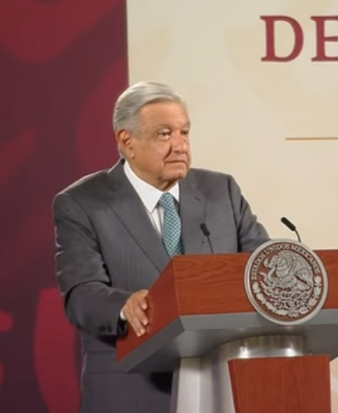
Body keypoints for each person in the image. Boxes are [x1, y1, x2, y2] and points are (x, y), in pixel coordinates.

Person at [52, 81, 270, 413]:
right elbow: (81, 294)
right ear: (127, 141)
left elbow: (264, 266)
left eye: (185, 132)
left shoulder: (221, 191)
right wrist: (124, 305)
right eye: (164, 134)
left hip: (221, 386)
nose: (180, 145)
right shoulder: (82, 203)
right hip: (131, 391)